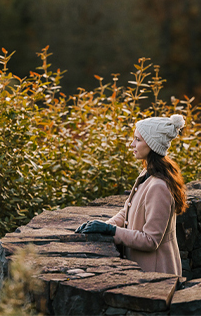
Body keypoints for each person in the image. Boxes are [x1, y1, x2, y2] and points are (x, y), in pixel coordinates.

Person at [74, 114, 187, 276]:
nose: (132, 144)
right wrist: (102, 227)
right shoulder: (148, 174)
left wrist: (111, 230)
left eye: (138, 140)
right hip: (144, 271)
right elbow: (127, 211)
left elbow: (151, 240)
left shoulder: (159, 186)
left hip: (157, 275)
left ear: (151, 144)